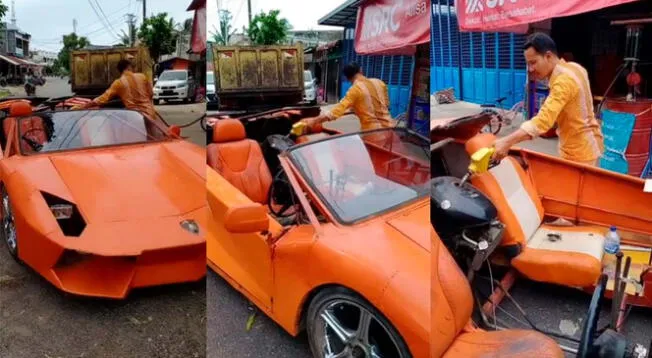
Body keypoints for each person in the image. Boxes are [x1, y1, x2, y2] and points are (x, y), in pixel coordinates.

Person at [492, 32, 604, 166]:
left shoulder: (563, 81)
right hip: (588, 142)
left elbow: (542, 122)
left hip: (580, 151)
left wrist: (506, 141)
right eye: (528, 64)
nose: (531, 69)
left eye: (533, 62)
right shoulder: (574, 67)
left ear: (548, 56)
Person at [300, 62, 394, 132]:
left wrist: (314, 120)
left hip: (372, 134)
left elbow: (335, 112)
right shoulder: (380, 82)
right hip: (391, 129)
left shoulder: (355, 90)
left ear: (347, 77)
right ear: (361, 70)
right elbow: (386, 106)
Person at [76, 59, 158, 122]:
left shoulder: (119, 83)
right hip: (150, 114)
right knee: (154, 141)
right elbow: (150, 94)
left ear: (120, 70)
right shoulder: (142, 76)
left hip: (134, 116)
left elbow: (102, 99)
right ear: (129, 67)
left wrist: (82, 106)